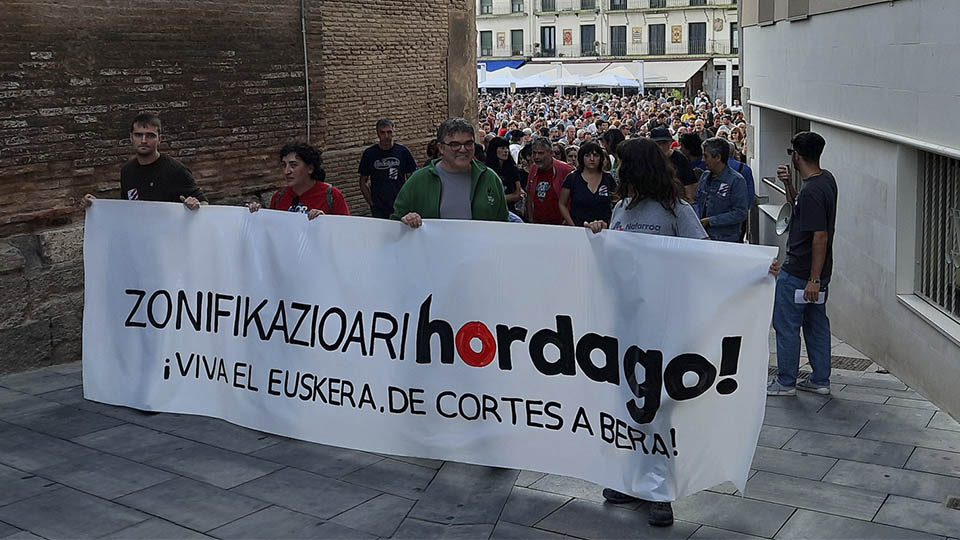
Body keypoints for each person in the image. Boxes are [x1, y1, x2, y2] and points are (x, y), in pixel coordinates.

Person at [585, 137, 707, 528]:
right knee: (630, 404)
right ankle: (634, 480)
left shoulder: (676, 209)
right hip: (627, 323)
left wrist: (754, 270)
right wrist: (600, 234)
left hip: (663, 322)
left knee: (657, 408)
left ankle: (660, 492)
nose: (617, 170)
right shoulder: (620, 207)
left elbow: (706, 254)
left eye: (622, 163)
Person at [768, 132, 838, 396]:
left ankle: (785, 382)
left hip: (800, 273)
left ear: (797, 155)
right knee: (816, 324)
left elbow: (820, 235)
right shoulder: (826, 180)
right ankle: (821, 380)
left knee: (787, 327)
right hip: (817, 273)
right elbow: (800, 209)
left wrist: (813, 279)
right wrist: (788, 185)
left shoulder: (811, 192)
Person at [392, 117, 508, 226]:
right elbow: (396, 220)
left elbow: (503, 223)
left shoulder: (490, 178)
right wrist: (408, 219)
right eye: (455, 144)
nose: (463, 149)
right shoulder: (419, 180)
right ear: (441, 148)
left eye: (468, 143)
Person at [81, 112, 206, 210]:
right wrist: (95, 205)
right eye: (138, 135)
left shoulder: (176, 170)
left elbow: (204, 204)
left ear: (159, 139)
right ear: (131, 138)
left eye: (150, 135)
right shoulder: (127, 171)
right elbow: (126, 208)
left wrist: (195, 204)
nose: (144, 140)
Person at [248, 142, 349, 218]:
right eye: (284, 165)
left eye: (293, 165)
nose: (287, 171)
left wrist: (325, 221)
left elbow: (345, 231)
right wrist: (258, 214)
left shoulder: (332, 196)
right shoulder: (279, 196)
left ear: (310, 168)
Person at [358, 119, 418, 218]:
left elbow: (411, 179)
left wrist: (409, 200)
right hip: (379, 207)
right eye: (382, 132)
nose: (386, 136)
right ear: (377, 133)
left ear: (394, 132)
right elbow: (363, 181)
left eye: (389, 132)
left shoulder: (403, 152)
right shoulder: (369, 154)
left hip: (400, 204)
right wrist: (371, 202)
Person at [694, 137, 749, 242]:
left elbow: (740, 213)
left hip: (725, 240)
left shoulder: (736, 180)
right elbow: (697, 201)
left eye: (706, 156)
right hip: (703, 236)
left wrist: (711, 221)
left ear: (718, 157)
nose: (703, 160)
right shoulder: (705, 176)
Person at [558, 141, 616, 227]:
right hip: (578, 229)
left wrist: (610, 223)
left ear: (601, 158)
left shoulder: (608, 178)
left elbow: (617, 202)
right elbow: (562, 203)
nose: (592, 159)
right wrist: (572, 225)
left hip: (603, 229)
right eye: (587, 155)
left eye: (596, 155)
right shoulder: (572, 178)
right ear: (582, 158)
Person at [526, 136, 574, 225]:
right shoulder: (533, 168)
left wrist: (567, 221)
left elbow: (573, 200)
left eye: (540, 153)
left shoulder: (566, 170)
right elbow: (529, 195)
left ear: (551, 153)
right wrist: (531, 219)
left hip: (560, 225)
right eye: (534, 153)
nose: (536, 157)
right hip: (537, 224)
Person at [650, 127, 698, 202]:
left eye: (664, 143)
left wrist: (687, 201)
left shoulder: (680, 158)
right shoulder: (649, 160)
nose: (661, 146)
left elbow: (690, 183)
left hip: (677, 201)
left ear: (670, 142)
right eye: (658, 143)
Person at [484, 136, 524, 218]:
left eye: (507, 148)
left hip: (509, 211)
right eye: (502, 148)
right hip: (491, 212)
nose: (506, 151)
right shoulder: (486, 170)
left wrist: (496, 199)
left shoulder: (513, 169)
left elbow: (517, 194)